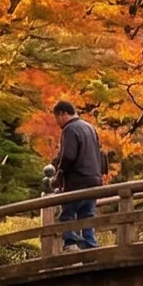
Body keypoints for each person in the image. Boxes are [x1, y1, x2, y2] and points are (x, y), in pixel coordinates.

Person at [51, 99, 104, 250]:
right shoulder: (90, 127)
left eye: (56, 118)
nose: (57, 122)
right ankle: (90, 245)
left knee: (67, 215)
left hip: (77, 180)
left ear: (62, 114)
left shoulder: (70, 129)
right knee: (87, 215)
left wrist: (59, 173)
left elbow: (68, 156)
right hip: (93, 178)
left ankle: (73, 243)